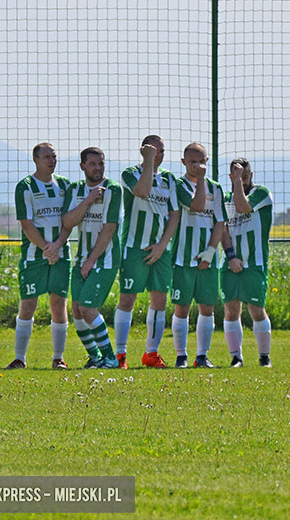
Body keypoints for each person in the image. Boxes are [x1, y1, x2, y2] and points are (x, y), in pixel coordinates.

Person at [113, 135, 180, 369]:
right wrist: (148, 162)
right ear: (143, 151)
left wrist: (163, 245)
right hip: (134, 247)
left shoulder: (170, 179)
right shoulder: (129, 173)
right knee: (127, 299)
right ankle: (120, 354)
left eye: (161, 150)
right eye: (153, 150)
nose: (158, 154)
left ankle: (151, 353)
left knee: (159, 300)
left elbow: (174, 214)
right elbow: (142, 191)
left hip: (162, 250)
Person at [7, 143, 72, 369]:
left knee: (58, 304)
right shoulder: (25, 186)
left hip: (61, 255)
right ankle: (19, 359)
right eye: (46, 157)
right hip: (35, 256)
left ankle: (58, 358)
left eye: (54, 156)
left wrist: (58, 246)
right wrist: (47, 247)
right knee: (28, 304)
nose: (52, 161)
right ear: (36, 160)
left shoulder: (64, 185)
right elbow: (27, 224)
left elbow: (69, 220)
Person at [62, 147, 122, 369]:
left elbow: (109, 230)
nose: (98, 168)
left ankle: (110, 358)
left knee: (88, 308)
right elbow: (68, 222)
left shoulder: (113, 190)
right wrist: (87, 201)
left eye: (101, 163)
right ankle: (95, 357)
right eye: (93, 164)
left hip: (103, 259)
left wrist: (91, 261)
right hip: (82, 260)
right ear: (83, 167)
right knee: (76, 309)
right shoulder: (75, 190)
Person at [170, 142, 226, 368]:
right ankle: (181, 355)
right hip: (183, 257)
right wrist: (201, 180)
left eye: (201, 161)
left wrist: (211, 252)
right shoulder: (178, 185)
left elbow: (220, 222)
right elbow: (196, 205)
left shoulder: (217, 188)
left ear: (207, 160)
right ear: (183, 162)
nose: (198, 166)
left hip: (207, 259)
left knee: (207, 306)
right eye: (192, 162)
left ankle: (202, 356)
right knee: (181, 307)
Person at [220, 158, 275, 368]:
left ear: (250, 176)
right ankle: (236, 358)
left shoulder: (261, 193)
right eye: (236, 177)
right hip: (230, 263)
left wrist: (237, 183)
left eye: (244, 177)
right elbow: (222, 229)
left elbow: (243, 207)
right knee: (231, 310)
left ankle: (264, 357)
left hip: (255, 263)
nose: (241, 181)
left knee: (256, 309)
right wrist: (231, 256)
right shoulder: (225, 199)